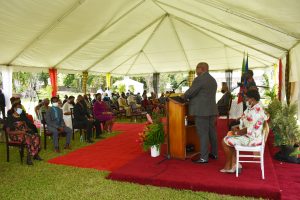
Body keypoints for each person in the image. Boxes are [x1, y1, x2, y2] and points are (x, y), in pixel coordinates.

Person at [221, 90, 267, 173]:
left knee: (225, 141)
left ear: (252, 99)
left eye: (246, 98)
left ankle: (230, 165)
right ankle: (235, 164)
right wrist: (236, 128)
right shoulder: (253, 108)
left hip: (252, 139)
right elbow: (244, 120)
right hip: (251, 135)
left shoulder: (256, 111)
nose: (245, 100)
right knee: (229, 135)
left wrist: (236, 132)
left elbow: (249, 129)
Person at [184, 62, 218, 163]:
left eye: (196, 69)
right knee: (212, 132)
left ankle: (204, 158)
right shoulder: (212, 79)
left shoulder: (200, 79)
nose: (195, 71)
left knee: (203, 133)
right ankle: (214, 153)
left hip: (201, 111)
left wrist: (183, 97)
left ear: (201, 69)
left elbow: (191, 92)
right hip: (211, 110)